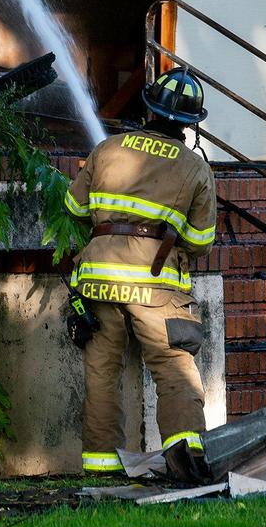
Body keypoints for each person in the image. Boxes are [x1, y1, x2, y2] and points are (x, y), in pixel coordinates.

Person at [64, 66, 217, 474]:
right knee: (174, 369)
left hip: (98, 281)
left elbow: (75, 208)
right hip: (157, 286)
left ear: (148, 109)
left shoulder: (107, 148)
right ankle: (186, 462)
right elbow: (201, 243)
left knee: (101, 374)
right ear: (189, 125)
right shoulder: (194, 168)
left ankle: (101, 469)